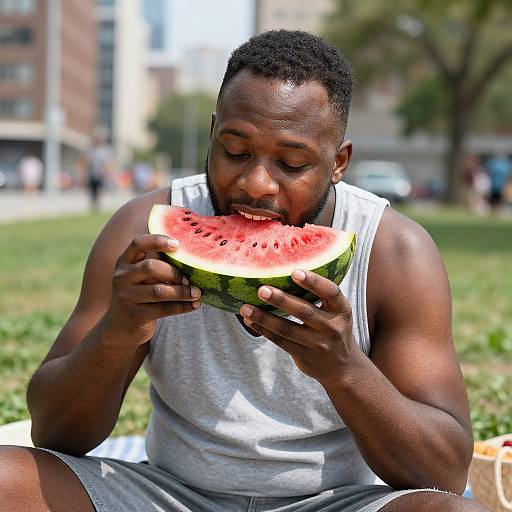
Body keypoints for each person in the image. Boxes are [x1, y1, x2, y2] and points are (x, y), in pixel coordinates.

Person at [0, 30, 488, 512]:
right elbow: (55, 433)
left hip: (337, 504)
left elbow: (443, 474)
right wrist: (117, 334)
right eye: (234, 152)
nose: (256, 185)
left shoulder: (395, 253)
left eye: (292, 163)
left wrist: (345, 370)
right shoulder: (142, 230)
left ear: (338, 163)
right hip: (166, 496)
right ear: (212, 134)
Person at [82, 131, 115, 210]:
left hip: (102, 175)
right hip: (92, 174)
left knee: (100, 190)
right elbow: (86, 162)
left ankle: (99, 205)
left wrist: (108, 173)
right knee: (92, 190)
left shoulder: (106, 150)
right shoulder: (91, 150)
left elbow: (109, 163)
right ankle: (93, 205)